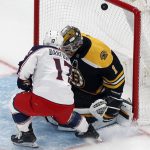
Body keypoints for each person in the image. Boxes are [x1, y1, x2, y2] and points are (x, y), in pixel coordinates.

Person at [9, 31, 101, 148]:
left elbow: (24, 70)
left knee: (14, 102)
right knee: (66, 116)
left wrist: (23, 81)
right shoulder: (67, 59)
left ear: (45, 41)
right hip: (67, 104)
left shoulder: (40, 50)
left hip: (42, 101)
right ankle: (88, 132)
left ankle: (26, 135)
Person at [46, 25, 132, 130]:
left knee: (64, 112)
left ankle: (117, 110)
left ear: (75, 46)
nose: (63, 52)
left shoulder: (98, 54)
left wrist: (112, 101)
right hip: (76, 85)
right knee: (49, 97)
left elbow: (117, 79)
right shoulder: (71, 42)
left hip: (94, 94)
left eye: (66, 49)